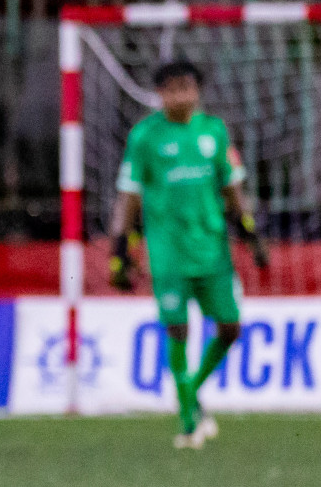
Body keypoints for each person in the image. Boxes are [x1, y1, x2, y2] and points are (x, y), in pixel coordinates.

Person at [109, 59, 268, 449]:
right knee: (178, 330)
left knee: (230, 329)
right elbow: (128, 197)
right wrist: (120, 250)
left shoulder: (214, 132)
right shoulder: (144, 137)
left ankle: (191, 391)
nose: (182, 94)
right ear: (160, 93)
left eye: (188, 87)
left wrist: (250, 233)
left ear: (197, 90)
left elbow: (231, 187)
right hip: (168, 253)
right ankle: (187, 422)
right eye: (173, 88)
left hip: (212, 251)